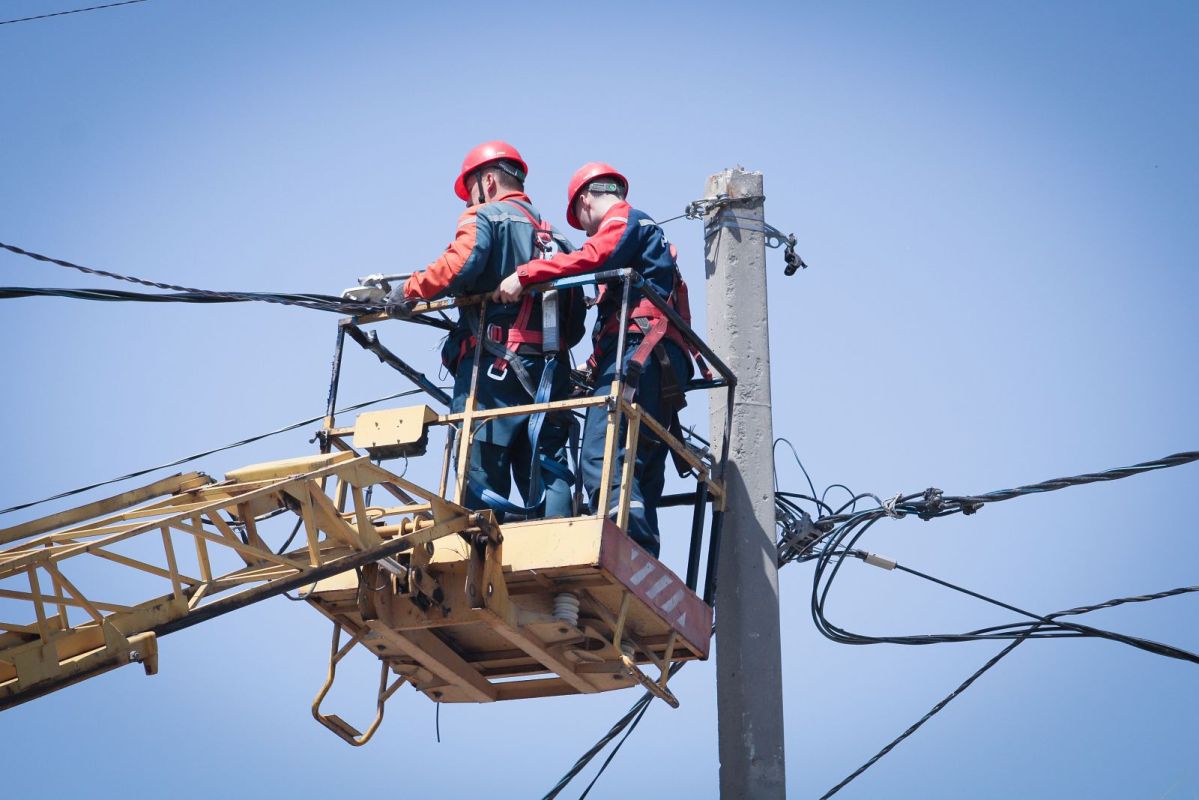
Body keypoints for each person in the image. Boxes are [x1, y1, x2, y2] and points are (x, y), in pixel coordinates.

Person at [493, 162, 708, 556]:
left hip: (639, 354)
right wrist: (592, 367)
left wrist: (526, 274)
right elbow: (624, 309)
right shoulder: (649, 240)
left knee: (601, 447)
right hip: (658, 359)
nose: (589, 232)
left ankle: (615, 538)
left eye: (585, 223)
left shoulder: (625, 220)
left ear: (587, 200)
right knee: (641, 458)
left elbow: (592, 257)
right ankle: (643, 547)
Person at [396, 141, 583, 520]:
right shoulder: (561, 241)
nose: (468, 203)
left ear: (488, 181)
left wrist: (406, 291)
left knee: (479, 466)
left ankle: (481, 552)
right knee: (547, 463)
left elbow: (460, 264)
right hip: (549, 374)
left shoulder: (485, 216)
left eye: (471, 193)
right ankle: (555, 538)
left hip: (492, 377)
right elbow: (575, 321)